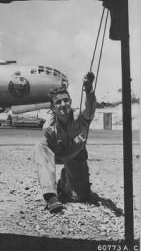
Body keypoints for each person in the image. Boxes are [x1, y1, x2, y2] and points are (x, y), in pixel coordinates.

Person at [32, 72, 97, 213]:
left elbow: (90, 108)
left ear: (71, 101)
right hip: (62, 154)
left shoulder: (79, 117)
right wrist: (76, 146)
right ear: (52, 107)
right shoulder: (48, 127)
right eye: (58, 102)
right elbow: (60, 156)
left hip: (78, 157)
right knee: (40, 146)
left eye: (66, 100)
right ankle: (50, 196)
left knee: (80, 196)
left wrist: (89, 89)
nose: (63, 104)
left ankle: (65, 181)